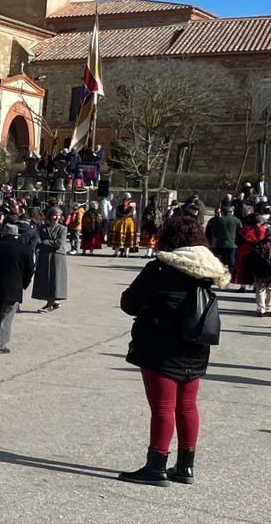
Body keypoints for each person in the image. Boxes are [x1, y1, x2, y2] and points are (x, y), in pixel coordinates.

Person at [116, 216, 229, 486]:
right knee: (188, 406)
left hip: (160, 344)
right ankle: (186, 466)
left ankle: (156, 466)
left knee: (163, 407)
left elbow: (129, 303)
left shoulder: (159, 268)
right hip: (196, 344)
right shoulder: (207, 270)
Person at [0, 221, 33, 354]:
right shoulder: (24, 249)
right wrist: (24, 284)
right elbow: (29, 269)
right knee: (6, 315)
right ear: (16, 235)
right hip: (14, 286)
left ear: (3, 234)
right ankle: (0, 344)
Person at [32, 207, 70, 312]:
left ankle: (51, 304)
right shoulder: (42, 228)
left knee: (55, 279)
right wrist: (48, 243)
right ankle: (52, 302)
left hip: (57, 257)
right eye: (54, 215)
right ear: (50, 216)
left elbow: (59, 244)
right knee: (45, 279)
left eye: (58, 215)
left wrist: (45, 242)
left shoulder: (62, 228)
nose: (56, 217)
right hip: (44, 256)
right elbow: (38, 242)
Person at [236, 211, 271, 316]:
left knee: (260, 288)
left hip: (257, 264)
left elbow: (238, 241)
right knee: (269, 288)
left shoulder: (257, 243)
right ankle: (268, 307)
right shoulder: (261, 232)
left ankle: (261, 309)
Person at [205, 200, 241, 272]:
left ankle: (217, 271)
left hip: (220, 243)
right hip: (232, 244)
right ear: (232, 212)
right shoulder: (237, 220)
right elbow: (240, 231)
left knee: (217, 259)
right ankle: (231, 272)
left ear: (222, 212)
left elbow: (214, 233)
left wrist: (213, 244)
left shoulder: (219, 220)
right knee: (231, 260)